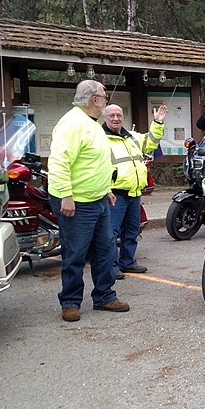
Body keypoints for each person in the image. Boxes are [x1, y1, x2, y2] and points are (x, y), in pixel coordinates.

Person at [48, 80, 129, 322]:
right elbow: (59, 161)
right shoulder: (72, 124)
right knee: (75, 253)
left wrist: (106, 189)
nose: (106, 100)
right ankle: (70, 302)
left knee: (105, 250)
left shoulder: (92, 124)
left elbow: (94, 163)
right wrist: (66, 195)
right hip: (77, 202)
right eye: (104, 97)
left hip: (98, 199)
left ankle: (104, 296)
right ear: (94, 99)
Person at [104, 103, 166, 277]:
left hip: (134, 192)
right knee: (111, 233)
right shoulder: (100, 139)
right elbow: (96, 167)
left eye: (119, 115)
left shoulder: (131, 137)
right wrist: (106, 189)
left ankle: (127, 262)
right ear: (105, 118)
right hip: (115, 193)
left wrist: (158, 123)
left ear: (123, 117)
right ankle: (111, 267)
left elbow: (151, 143)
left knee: (131, 231)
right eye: (112, 115)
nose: (116, 118)